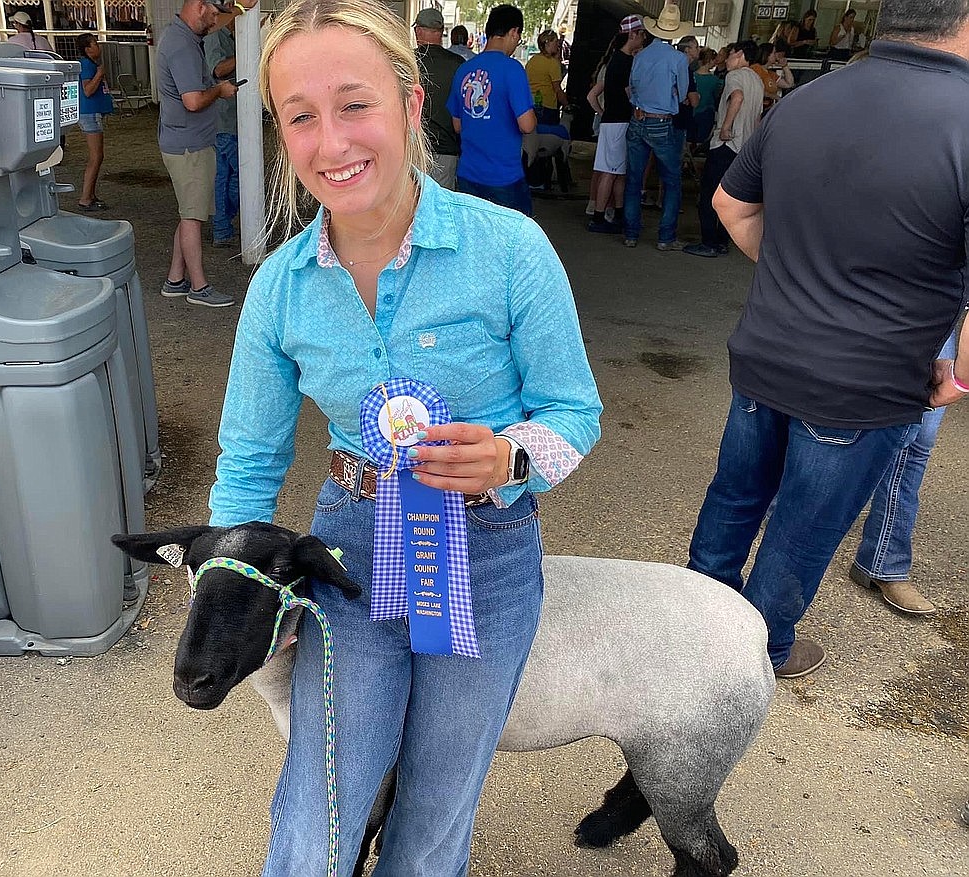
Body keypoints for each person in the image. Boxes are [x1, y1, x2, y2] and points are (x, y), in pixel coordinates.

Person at [211, 1, 602, 873]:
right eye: (300, 117)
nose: (331, 142)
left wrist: (509, 456)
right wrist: (243, 585)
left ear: (411, 105)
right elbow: (248, 465)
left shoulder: (511, 250)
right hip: (346, 551)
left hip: (490, 549)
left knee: (435, 807)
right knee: (321, 805)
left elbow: (575, 412)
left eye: (355, 105)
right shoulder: (280, 290)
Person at [687, 0, 969, 680]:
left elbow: (730, 203)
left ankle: (690, 634)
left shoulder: (811, 96)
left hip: (766, 353)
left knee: (735, 498)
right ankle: (756, 656)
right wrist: (958, 376)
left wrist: (794, 276)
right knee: (802, 527)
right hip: (866, 379)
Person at [849, 324, 961, 616]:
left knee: (916, 441)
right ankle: (780, 506)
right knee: (824, 417)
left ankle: (884, 562)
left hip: (938, 313)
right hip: (862, 302)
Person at [155, 0, 238, 306]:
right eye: (214, 14)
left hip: (186, 141)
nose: (215, 21)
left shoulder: (183, 37)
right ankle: (199, 288)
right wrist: (220, 90)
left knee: (189, 212)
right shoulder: (183, 46)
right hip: (189, 145)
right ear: (200, 6)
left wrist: (238, 8)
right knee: (192, 218)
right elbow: (192, 101)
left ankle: (175, 279)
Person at [448, 4, 537, 216]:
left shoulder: (464, 69)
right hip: (503, 176)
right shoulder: (513, 69)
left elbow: (457, 125)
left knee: (475, 239)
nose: (517, 43)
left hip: (468, 174)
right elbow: (527, 124)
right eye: (518, 36)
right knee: (515, 241)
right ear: (514, 31)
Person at [682, 40, 762, 258]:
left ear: (740, 54)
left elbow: (737, 97)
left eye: (729, 54)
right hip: (745, 148)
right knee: (731, 196)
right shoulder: (757, 79)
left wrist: (725, 127)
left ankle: (708, 242)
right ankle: (722, 241)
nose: (726, 58)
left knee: (709, 195)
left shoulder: (734, 76)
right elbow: (756, 117)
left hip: (727, 144)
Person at [623, 0, 691, 250]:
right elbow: (683, 94)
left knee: (633, 178)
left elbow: (632, 88)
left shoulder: (640, 56)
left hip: (638, 117)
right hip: (662, 122)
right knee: (672, 180)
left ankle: (630, 234)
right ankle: (665, 238)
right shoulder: (678, 60)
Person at [586, 18, 644, 234]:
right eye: (641, 34)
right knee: (611, 172)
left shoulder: (616, 60)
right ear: (633, 35)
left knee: (616, 171)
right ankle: (599, 217)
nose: (643, 38)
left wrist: (602, 113)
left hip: (612, 119)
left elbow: (594, 95)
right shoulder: (625, 61)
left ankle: (617, 214)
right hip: (619, 121)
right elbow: (630, 93)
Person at [413, 7, 464, 189]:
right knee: (442, 210)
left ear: (418, 30)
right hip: (447, 149)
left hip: (413, 149)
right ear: (441, 32)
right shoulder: (458, 64)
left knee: (412, 206)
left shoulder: (407, 62)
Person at [205, 7, 241, 247]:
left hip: (234, 119)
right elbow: (217, 70)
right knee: (231, 176)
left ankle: (223, 225)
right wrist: (247, 53)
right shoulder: (214, 39)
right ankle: (222, 224)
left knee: (229, 176)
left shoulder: (229, 38)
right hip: (222, 120)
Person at [74, 33, 113, 212]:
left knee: (98, 156)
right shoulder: (87, 66)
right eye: (95, 44)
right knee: (96, 156)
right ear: (88, 48)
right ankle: (85, 197)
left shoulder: (91, 65)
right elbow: (88, 90)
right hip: (89, 113)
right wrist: (99, 74)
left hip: (94, 113)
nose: (98, 47)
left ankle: (90, 194)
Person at [525, 29, 568, 125]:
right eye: (556, 41)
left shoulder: (532, 61)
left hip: (531, 103)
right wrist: (566, 105)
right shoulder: (552, 64)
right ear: (548, 43)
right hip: (547, 106)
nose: (558, 45)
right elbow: (557, 89)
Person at [690, 47, 723, 148]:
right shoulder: (715, 80)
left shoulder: (692, 76)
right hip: (706, 112)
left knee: (689, 139)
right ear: (709, 61)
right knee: (701, 139)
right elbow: (717, 95)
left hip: (691, 112)